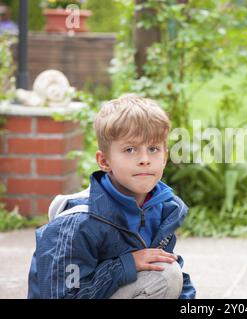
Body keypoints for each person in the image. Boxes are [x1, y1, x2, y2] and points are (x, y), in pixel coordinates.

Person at [27, 95, 196, 299]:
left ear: (165, 158)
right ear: (104, 161)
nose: (144, 160)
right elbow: (62, 295)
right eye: (130, 149)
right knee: (164, 275)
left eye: (153, 149)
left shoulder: (163, 208)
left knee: (169, 272)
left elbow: (172, 269)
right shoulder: (77, 224)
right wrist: (126, 264)